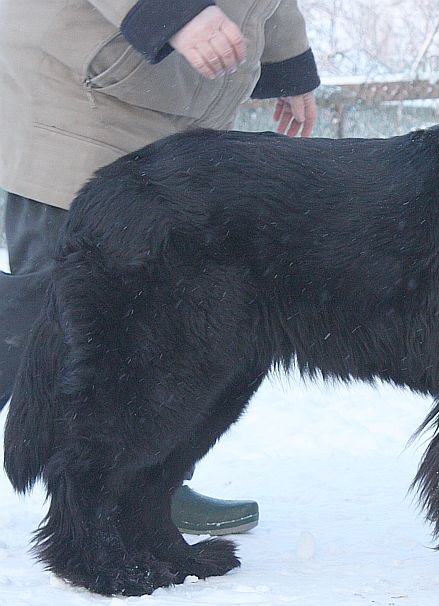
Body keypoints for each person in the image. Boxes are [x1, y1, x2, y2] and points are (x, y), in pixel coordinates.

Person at [0, 0, 320, 535]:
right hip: (82, 95)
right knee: (67, 317)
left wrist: (288, 63)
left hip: (174, 106)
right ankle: (121, 487)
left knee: (166, 324)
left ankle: (145, 483)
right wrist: (171, 11)